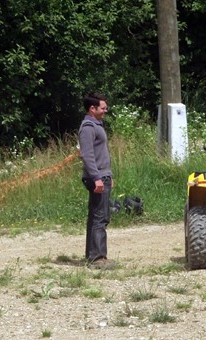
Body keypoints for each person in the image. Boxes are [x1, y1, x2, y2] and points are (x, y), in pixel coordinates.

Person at [78, 92, 114, 268]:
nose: (105, 111)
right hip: (97, 177)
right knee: (99, 217)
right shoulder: (88, 127)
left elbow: (101, 154)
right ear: (92, 108)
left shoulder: (97, 125)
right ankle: (97, 258)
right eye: (103, 108)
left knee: (100, 216)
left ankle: (94, 255)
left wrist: (109, 175)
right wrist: (97, 178)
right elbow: (87, 155)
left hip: (103, 175)